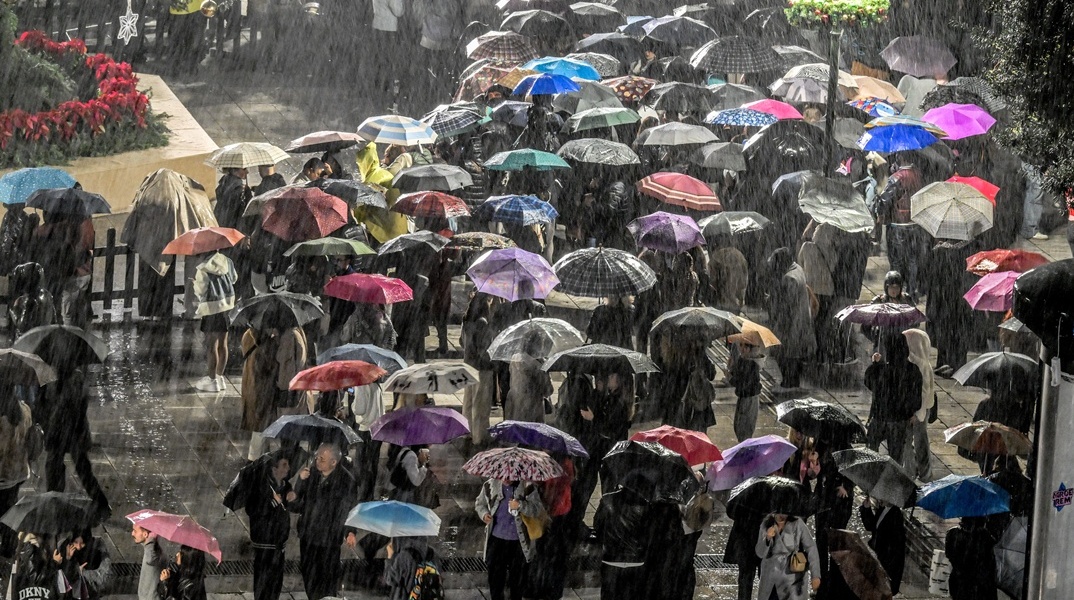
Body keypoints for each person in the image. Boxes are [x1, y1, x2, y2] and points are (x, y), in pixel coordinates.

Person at [222, 449, 297, 600]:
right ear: (274, 469)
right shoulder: (260, 487)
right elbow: (254, 510)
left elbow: (294, 507)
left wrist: (294, 498)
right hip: (265, 544)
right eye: (284, 465)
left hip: (279, 544)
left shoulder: (285, 485)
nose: (288, 469)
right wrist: (273, 501)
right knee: (264, 581)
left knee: (276, 582)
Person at [37, 367, 111, 519]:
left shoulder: (71, 379)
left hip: (70, 431)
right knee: (55, 467)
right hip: (61, 431)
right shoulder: (56, 379)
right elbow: (40, 404)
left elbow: (79, 406)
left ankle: (98, 502)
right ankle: (56, 500)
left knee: (76, 467)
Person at [289, 443, 358, 600]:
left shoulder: (346, 481)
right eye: (316, 457)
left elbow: (349, 510)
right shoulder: (311, 474)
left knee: (327, 579)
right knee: (309, 575)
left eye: (322, 459)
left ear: (334, 462)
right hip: (308, 535)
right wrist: (300, 481)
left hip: (328, 539)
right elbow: (296, 504)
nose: (317, 461)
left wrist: (350, 531)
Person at [239, 323, 309, 461]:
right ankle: (260, 465)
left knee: (260, 432)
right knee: (265, 431)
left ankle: (258, 463)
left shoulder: (250, 336)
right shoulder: (271, 343)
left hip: (257, 393)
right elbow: (283, 370)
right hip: (264, 394)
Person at [475, 478, 545, 600]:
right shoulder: (490, 485)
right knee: (495, 578)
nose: (506, 479)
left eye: (510, 476)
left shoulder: (527, 486)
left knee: (517, 580)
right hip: (496, 540)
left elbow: (536, 509)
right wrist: (484, 514)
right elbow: (480, 503)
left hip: (518, 543)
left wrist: (520, 505)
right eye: (503, 476)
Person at [864, 334, 922, 464]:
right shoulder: (913, 370)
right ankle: (892, 479)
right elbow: (916, 398)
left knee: (871, 451)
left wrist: (874, 364)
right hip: (899, 420)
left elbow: (868, 382)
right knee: (895, 457)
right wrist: (910, 412)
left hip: (880, 416)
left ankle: (872, 472)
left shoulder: (882, 369)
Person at [875, 154, 926, 298]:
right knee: (912, 260)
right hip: (914, 223)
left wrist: (880, 212)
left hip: (898, 223)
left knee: (896, 260)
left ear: (901, 158)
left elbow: (885, 199)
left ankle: (895, 291)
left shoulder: (897, 177)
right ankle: (910, 290)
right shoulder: (918, 175)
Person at [766, 248, 816, 392]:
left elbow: (786, 305)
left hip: (792, 323)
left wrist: (772, 301)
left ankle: (789, 383)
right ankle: (792, 382)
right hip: (801, 320)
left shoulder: (789, 279)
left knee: (786, 354)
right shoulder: (797, 268)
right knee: (794, 354)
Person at [191, 251, 237, 392]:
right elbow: (234, 278)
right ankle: (220, 376)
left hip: (211, 308)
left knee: (211, 346)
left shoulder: (203, 268)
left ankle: (212, 380)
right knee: (223, 344)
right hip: (227, 306)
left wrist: (193, 284)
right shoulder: (227, 261)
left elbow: (201, 290)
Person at [755, 513, 821, 600]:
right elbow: (760, 553)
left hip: (792, 575)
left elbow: (811, 547)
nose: (782, 515)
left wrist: (815, 575)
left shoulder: (798, 523)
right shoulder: (766, 523)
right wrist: (767, 538)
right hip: (770, 576)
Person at [0, 389, 34, 557]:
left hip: (3, 475)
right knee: (9, 509)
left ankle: (7, 546)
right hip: (18, 472)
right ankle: (8, 547)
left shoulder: (2, 422)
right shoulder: (24, 410)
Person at [461, 292, 495, 446]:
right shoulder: (483, 322)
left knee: (468, 400)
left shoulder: (467, 320)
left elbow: (462, 342)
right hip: (481, 367)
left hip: (468, 363)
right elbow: (484, 348)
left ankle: (467, 431)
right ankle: (479, 435)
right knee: (480, 402)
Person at [902, 328, 935, 481]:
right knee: (920, 440)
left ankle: (912, 472)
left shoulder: (918, 364)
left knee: (911, 441)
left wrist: (917, 414)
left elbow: (923, 391)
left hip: (917, 410)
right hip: (923, 408)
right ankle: (923, 472)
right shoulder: (924, 362)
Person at [858, 495, 906, 595]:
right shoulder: (883, 509)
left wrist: (884, 565)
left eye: (883, 497)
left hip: (885, 562)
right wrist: (866, 509)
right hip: (877, 556)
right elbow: (871, 526)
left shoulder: (896, 515)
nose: (879, 499)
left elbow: (895, 546)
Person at [946, 516, 998, 600]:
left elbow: (950, 554)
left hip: (958, 581)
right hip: (977, 585)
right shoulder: (983, 537)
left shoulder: (953, 534)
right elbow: (988, 564)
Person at [727, 341, 762, 442]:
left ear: (750, 349)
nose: (742, 349)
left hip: (749, 398)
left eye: (745, 347)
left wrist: (730, 378)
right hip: (743, 397)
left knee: (744, 428)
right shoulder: (742, 361)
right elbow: (737, 376)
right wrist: (731, 368)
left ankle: (744, 450)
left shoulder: (751, 364)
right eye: (741, 345)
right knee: (738, 426)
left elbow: (743, 383)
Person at [0, 201, 39, 276]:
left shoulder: (10, 216)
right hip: (15, 260)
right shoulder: (19, 217)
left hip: (12, 259)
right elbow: (25, 239)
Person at [131, 524, 163, 600]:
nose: (132, 533)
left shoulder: (152, 549)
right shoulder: (152, 547)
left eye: (135, 531)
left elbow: (150, 559)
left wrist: (150, 540)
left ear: (145, 534)